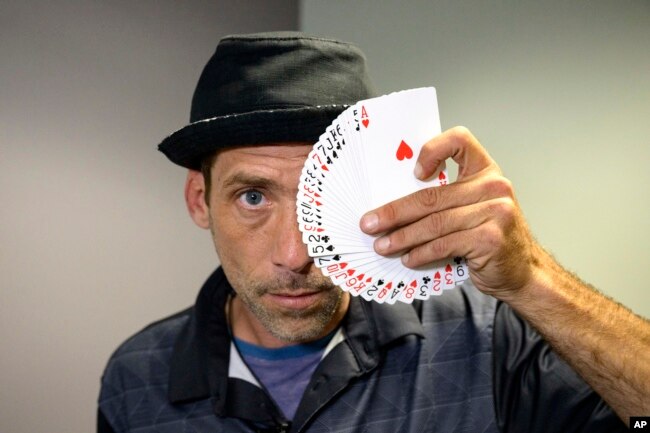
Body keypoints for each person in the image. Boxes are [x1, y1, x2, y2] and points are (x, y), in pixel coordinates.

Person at [98, 32, 648, 433]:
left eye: (322, 200)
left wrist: (533, 280)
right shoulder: (136, 376)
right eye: (253, 197)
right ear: (201, 201)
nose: (296, 254)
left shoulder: (487, 341)